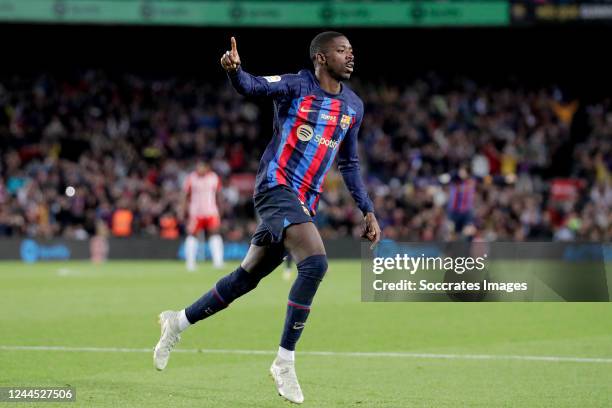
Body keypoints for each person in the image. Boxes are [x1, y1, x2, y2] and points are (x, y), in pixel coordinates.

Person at [154, 32, 381, 404]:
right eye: (342, 51)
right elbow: (253, 86)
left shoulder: (353, 106)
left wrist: (367, 208)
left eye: (352, 51)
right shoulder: (296, 85)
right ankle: (284, 362)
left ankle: (176, 322)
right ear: (321, 58)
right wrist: (234, 72)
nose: (350, 57)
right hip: (275, 187)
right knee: (316, 264)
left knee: (245, 278)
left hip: (304, 200)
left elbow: (350, 163)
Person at [182, 160, 224, 270]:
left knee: (214, 233)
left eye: (202, 167)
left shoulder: (214, 177)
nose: (199, 169)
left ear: (207, 167)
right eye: (198, 166)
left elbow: (219, 194)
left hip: (211, 211)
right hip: (196, 212)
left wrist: (221, 209)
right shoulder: (191, 178)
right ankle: (190, 263)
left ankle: (218, 262)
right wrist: (183, 210)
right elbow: (185, 195)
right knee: (192, 235)